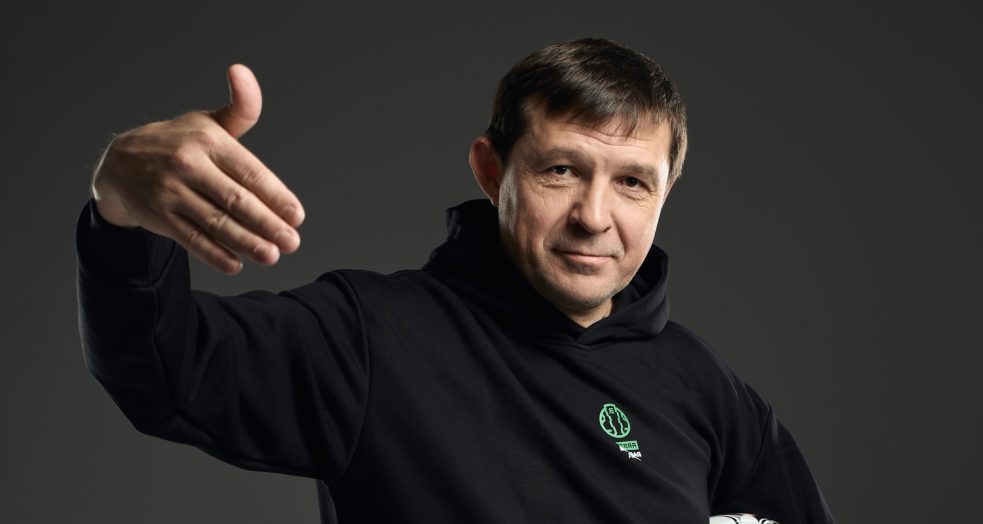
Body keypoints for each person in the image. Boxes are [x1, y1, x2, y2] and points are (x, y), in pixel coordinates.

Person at [76, 38, 834, 523]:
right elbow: (162, 368)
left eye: (633, 183)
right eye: (561, 170)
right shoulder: (369, 338)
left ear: (664, 195)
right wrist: (122, 210)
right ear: (491, 171)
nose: (594, 217)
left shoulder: (706, 389)